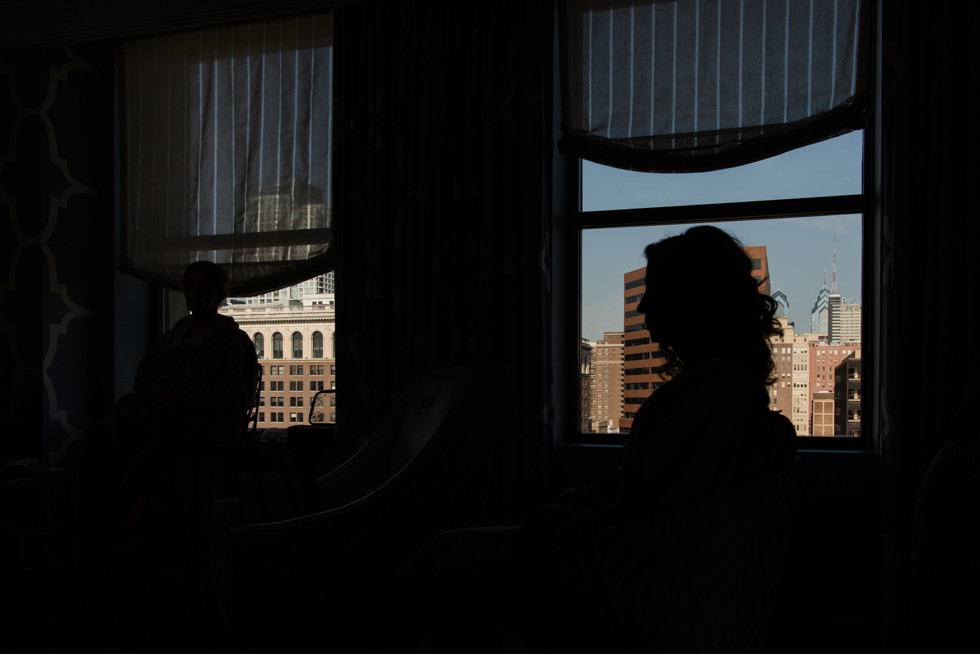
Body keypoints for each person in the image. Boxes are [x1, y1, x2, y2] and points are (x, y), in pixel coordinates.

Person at [393, 226, 798, 653]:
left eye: (655, 289)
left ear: (691, 300)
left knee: (447, 557)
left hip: (619, 588)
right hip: (640, 581)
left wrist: (544, 532)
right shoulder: (734, 395)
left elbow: (633, 514)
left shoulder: (696, 404)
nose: (642, 304)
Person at [93, 261, 258, 550]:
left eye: (203, 289)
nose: (194, 295)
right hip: (167, 424)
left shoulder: (235, 343)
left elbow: (235, 398)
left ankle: (136, 508)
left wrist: (178, 400)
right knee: (127, 412)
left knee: (130, 424)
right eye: (190, 288)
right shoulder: (173, 339)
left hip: (205, 431)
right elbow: (143, 379)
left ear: (220, 294)